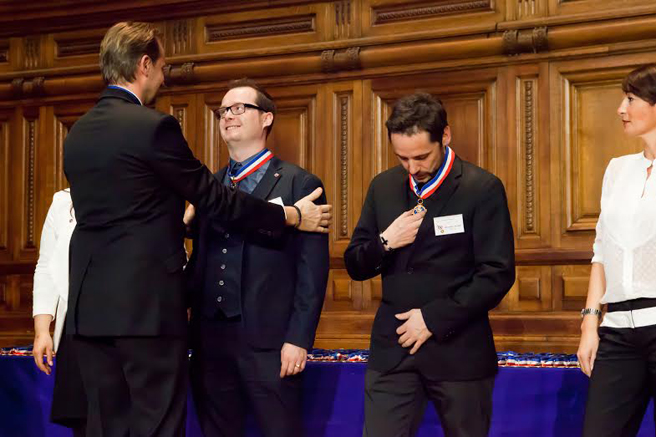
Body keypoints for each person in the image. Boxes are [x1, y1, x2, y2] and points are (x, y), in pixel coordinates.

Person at [63, 22, 331, 436]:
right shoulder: (152, 126)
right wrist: (292, 217)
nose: (164, 77)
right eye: (163, 67)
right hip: (147, 310)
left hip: (91, 310)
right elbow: (214, 198)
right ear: (145, 64)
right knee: (156, 424)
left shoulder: (77, 133)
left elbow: (124, 208)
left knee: (107, 426)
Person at [344, 92, 515, 437]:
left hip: (458, 352)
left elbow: (496, 274)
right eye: (402, 158)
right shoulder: (383, 187)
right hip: (393, 353)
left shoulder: (481, 188)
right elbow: (356, 264)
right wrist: (386, 241)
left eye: (421, 157)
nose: (412, 168)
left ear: (445, 136)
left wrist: (433, 319)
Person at [185, 78, 330, 437]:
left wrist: (298, 339)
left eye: (238, 108)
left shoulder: (299, 183)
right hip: (211, 340)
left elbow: (312, 270)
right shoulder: (210, 188)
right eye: (222, 111)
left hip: (270, 342)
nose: (228, 116)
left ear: (266, 118)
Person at [578, 64, 656, 437]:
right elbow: (601, 251)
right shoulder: (617, 169)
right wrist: (590, 322)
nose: (620, 109)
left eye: (631, 99)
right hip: (618, 331)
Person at [31, 189, 86, 436]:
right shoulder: (63, 201)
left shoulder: (137, 189)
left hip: (124, 324)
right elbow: (47, 265)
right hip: (75, 324)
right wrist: (42, 330)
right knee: (82, 419)